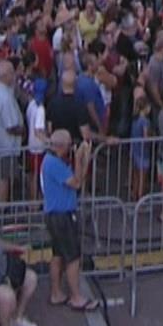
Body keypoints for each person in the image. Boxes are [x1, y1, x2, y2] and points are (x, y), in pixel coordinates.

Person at [41, 129, 99, 311]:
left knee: (58, 255)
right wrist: (81, 158)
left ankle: (56, 292)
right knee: (73, 257)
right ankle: (76, 296)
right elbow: (77, 182)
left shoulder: (50, 160)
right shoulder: (55, 164)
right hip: (62, 215)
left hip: (54, 214)